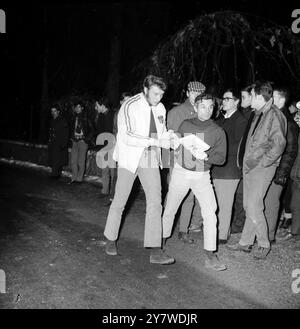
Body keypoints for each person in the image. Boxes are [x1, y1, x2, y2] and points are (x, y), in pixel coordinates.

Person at [103, 75, 175, 265]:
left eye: (161, 94)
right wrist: (154, 140)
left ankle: (155, 249)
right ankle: (110, 239)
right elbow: (126, 136)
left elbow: (161, 132)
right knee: (120, 200)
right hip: (130, 157)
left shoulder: (160, 108)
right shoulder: (130, 105)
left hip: (150, 157)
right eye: (155, 93)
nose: (159, 98)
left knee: (155, 202)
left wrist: (170, 136)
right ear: (145, 89)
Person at [162, 93, 227, 271]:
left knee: (210, 212)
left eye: (211, 107)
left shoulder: (218, 130)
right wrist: (174, 141)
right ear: (196, 107)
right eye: (203, 106)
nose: (207, 110)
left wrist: (207, 155)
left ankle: (210, 254)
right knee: (170, 209)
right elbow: (177, 144)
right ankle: (159, 244)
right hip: (181, 172)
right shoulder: (186, 124)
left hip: (202, 174)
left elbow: (221, 158)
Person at [227, 81, 287, 259]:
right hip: (250, 167)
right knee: (249, 206)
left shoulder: (274, 115)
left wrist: (263, 163)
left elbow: (279, 144)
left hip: (262, 167)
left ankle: (263, 243)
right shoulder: (258, 113)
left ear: (260, 97)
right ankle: (245, 242)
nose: (250, 98)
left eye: (251, 95)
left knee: (253, 206)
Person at [166, 81, 206, 243]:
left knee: (189, 196)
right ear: (188, 92)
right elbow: (173, 137)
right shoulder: (177, 112)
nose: (197, 96)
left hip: (195, 160)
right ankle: (163, 229)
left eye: (200, 93)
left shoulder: (202, 112)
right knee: (173, 195)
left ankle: (183, 230)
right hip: (178, 159)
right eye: (194, 92)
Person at [212, 88, 248, 244]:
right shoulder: (222, 118)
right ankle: (217, 231)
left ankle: (221, 235)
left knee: (225, 204)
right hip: (218, 167)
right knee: (217, 202)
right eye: (223, 98)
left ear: (237, 101)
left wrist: (217, 149)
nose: (224, 101)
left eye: (227, 99)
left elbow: (239, 146)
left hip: (230, 169)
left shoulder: (240, 120)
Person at [265, 88, 299, 242]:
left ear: (281, 100)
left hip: (280, 170)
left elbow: (291, 150)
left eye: (273, 97)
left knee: (274, 202)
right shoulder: (273, 116)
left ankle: (270, 234)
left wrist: (282, 173)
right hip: (269, 167)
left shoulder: (287, 122)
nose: (270, 99)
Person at [69, 100, 94, 184]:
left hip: (83, 141)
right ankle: (74, 178)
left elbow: (92, 130)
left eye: (79, 107)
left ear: (82, 108)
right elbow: (70, 129)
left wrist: (86, 139)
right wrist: (71, 137)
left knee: (81, 161)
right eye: (76, 107)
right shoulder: (73, 117)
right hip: (74, 141)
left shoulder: (86, 117)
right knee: (73, 161)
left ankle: (79, 179)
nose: (77, 108)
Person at [94, 97, 114, 195]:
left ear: (102, 106)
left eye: (97, 105)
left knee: (113, 171)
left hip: (111, 147)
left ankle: (113, 193)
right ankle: (105, 191)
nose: (95, 108)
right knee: (104, 169)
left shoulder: (112, 115)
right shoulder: (101, 116)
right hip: (103, 147)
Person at [48, 103, 69, 178]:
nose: (53, 113)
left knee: (58, 159)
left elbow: (65, 133)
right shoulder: (52, 120)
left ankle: (55, 174)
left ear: (58, 111)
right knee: (54, 159)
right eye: (52, 111)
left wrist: (64, 143)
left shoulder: (62, 120)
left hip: (59, 143)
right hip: (53, 143)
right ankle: (55, 174)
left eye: (54, 111)